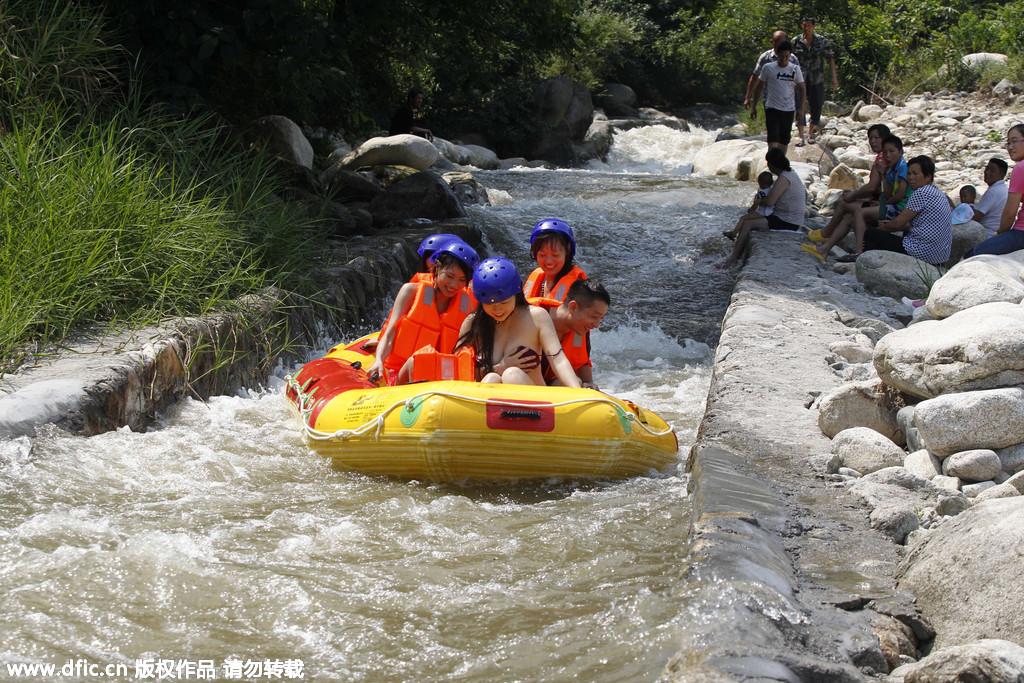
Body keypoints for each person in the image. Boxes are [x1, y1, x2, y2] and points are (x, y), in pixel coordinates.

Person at [366, 240, 479, 385]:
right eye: (449, 276)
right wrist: (379, 360)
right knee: (419, 359)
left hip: (439, 379)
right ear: (437, 267)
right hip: (399, 373)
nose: (454, 285)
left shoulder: (466, 305)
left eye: (461, 280)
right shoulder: (410, 291)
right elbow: (390, 333)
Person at [456, 257, 581, 388]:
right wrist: (500, 367)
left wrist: (577, 391)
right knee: (491, 378)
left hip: (535, 399)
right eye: (489, 304)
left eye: (504, 302)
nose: (497, 310)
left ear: (516, 293)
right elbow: (459, 370)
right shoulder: (472, 323)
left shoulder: (537, 317)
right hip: (493, 399)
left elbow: (557, 359)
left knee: (512, 375)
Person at [809, 135, 910, 262]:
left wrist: (882, 204)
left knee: (857, 211)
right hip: (889, 205)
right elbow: (887, 192)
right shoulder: (889, 168)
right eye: (886, 152)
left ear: (900, 152)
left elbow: (898, 195)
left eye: (892, 151)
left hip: (899, 209)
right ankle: (824, 249)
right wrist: (883, 175)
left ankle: (858, 251)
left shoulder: (902, 168)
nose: (888, 155)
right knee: (848, 218)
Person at [720, 148, 807, 268]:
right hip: (785, 217)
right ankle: (736, 252)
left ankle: (733, 259)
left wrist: (758, 201)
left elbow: (770, 202)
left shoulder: (784, 179)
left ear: (771, 164)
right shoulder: (790, 173)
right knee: (747, 218)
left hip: (788, 221)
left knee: (748, 224)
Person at [860, 155, 952, 266]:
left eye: (915, 174)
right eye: (909, 173)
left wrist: (882, 228)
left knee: (871, 233)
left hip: (923, 252)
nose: (910, 178)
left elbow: (898, 223)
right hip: (939, 256)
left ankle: (866, 264)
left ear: (928, 177)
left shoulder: (921, 193)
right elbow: (910, 224)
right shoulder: (938, 193)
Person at [808, 124, 891, 245]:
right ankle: (826, 246)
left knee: (844, 202)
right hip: (882, 200)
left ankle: (827, 233)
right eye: (870, 138)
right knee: (848, 217)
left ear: (885, 139)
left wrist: (853, 195)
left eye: (876, 138)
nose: (873, 141)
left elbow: (872, 187)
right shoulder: (886, 156)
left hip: (885, 204)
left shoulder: (882, 159)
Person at [528, 279, 610, 390]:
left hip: (551, 387)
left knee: (577, 382)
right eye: (594, 317)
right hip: (523, 384)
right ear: (573, 307)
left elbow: (583, 364)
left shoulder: (581, 328)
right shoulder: (532, 318)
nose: (597, 325)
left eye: (600, 319)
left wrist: (589, 384)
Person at [966, 125, 1024, 257]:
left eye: (1014, 141)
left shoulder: (1020, 168)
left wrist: (1001, 234)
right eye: (1008, 143)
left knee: (973, 255)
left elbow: (1010, 213)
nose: (1010, 147)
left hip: (1021, 233)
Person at [749, 40, 807, 150]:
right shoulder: (768, 68)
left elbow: (802, 88)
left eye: (787, 56)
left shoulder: (795, 69)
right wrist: (753, 106)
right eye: (781, 56)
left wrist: (801, 109)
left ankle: (780, 163)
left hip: (789, 109)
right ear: (777, 55)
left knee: (784, 140)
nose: (784, 59)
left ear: (790, 55)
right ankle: (772, 163)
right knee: (773, 138)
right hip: (772, 108)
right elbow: (759, 87)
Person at [791, 17, 839, 146]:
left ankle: (811, 134)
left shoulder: (822, 41)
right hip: (799, 78)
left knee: (816, 105)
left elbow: (830, 59)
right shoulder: (795, 41)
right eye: (804, 25)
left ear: (813, 26)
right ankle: (801, 135)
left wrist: (834, 78)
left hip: (816, 78)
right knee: (799, 106)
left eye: (809, 25)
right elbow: (788, 59)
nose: (806, 28)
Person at [522, 218, 588, 302]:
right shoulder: (540, 278)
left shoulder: (578, 287)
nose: (549, 261)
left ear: (567, 253)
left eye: (555, 255)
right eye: (542, 255)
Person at [743, 31, 799, 110]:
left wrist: (801, 101)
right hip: (770, 101)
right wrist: (748, 97)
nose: (778, 44)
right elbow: (755, 78)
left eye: (781, 41)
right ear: (772, 42)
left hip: (787, 102)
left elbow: (799, 81)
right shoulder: (765, 58)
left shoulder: (792, 59)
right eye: (776, 41)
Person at [724, 171, 775, 239]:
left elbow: (756, 203)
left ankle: (734, 233)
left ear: (759, 182)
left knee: (743, 218)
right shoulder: (773, 190)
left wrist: (751, 210)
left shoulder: (761, 192)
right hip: (771, 213)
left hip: (762, 213)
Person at [971, 158, 1009, 235]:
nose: (987, 172)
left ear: (1002, 174)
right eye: (987, 168)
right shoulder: (1003, 188)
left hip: (987, 233)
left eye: (992, 171)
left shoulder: (994, 191)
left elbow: (976, 217)